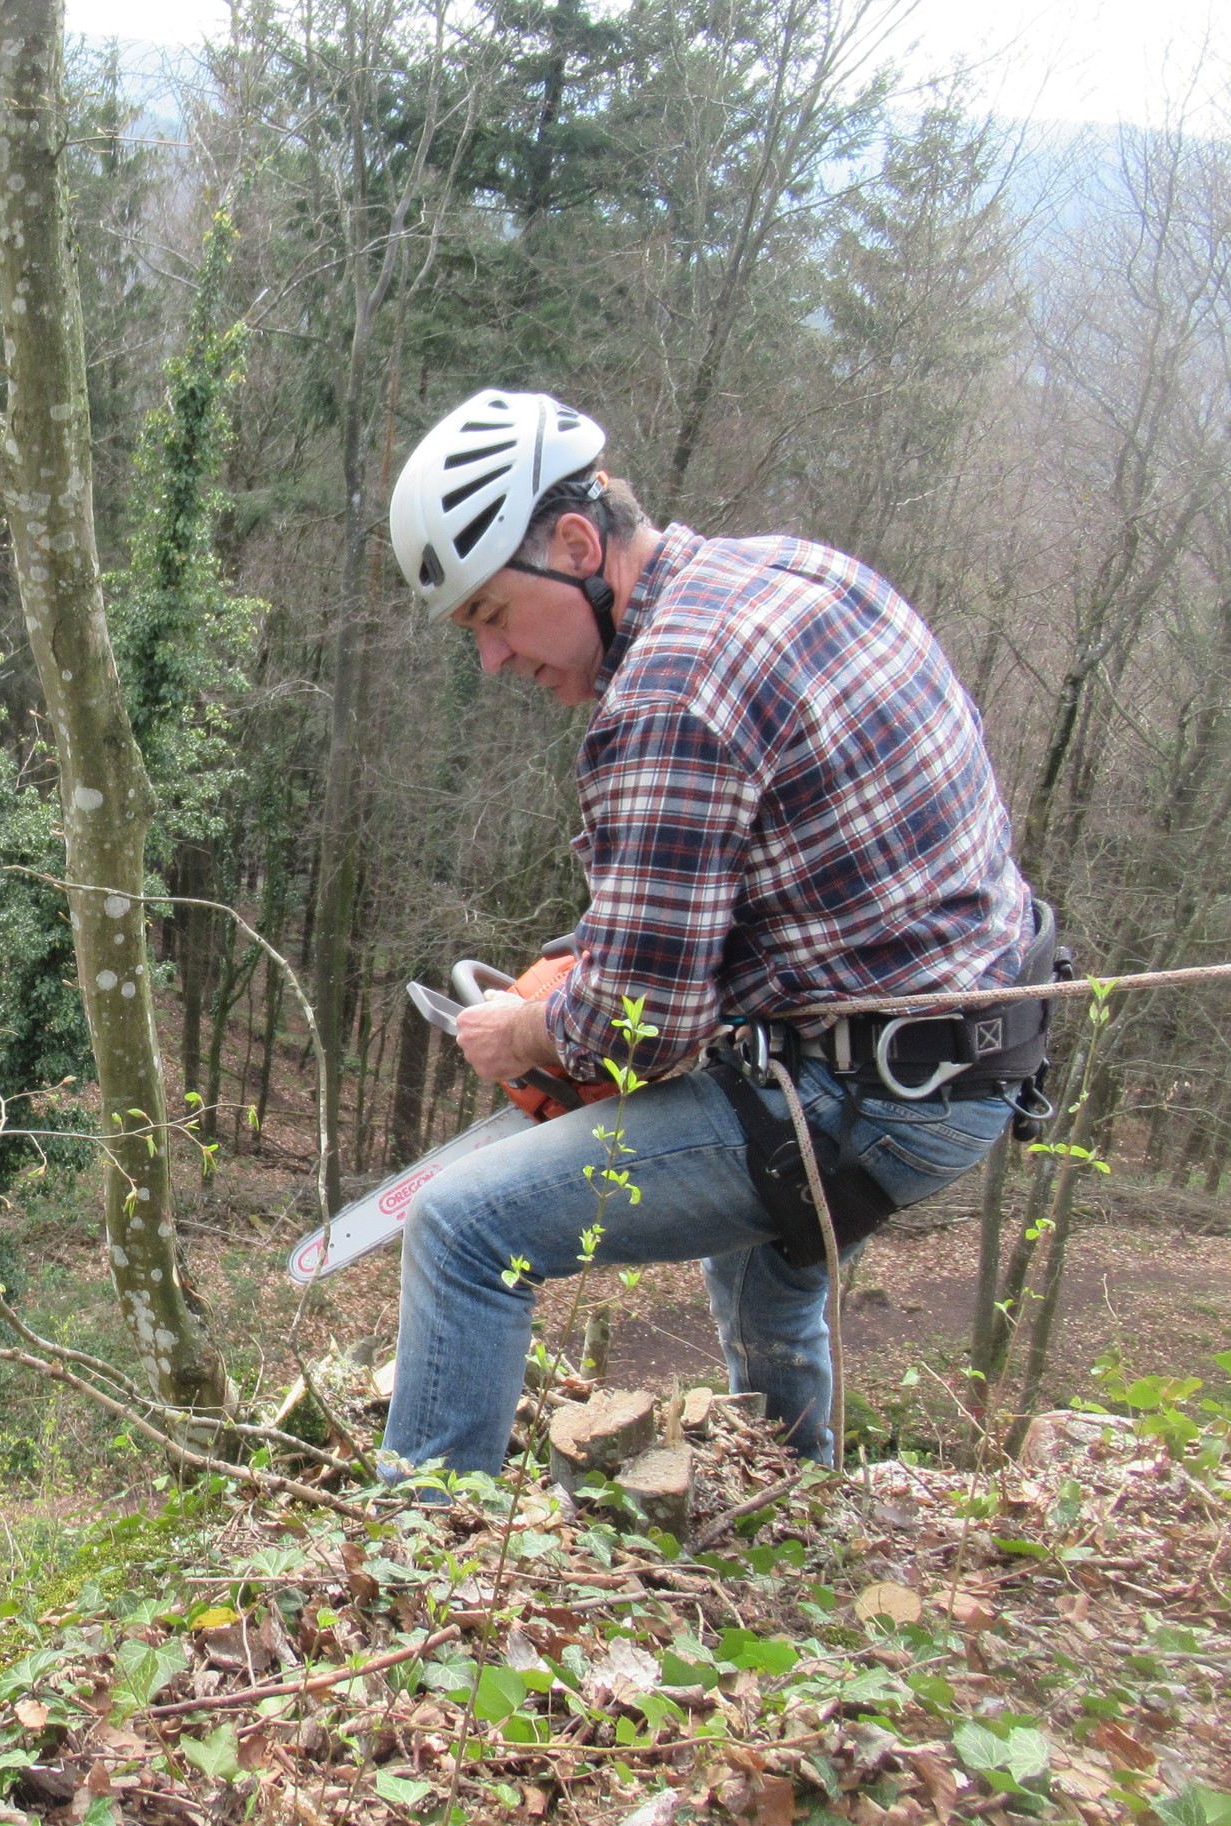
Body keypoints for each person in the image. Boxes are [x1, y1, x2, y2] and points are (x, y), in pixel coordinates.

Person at [377, 388, 1054, 1473]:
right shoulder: (794, 570)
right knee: (762, 1266)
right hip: (979, 1043)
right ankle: (796, 1494)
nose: (493, 660)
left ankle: (417, 1545)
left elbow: (638, 1033)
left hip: (878, 1091)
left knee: (462, 1231)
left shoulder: (668, 696)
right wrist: (595, 958)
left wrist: (528, 1029)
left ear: (578, 545)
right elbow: (778, 865)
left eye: (494, 616)